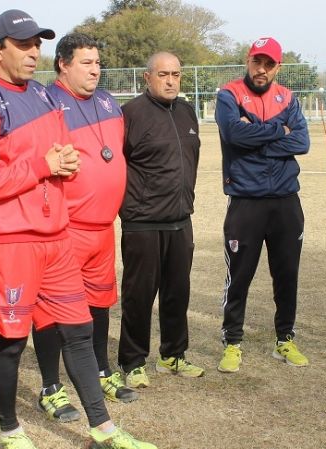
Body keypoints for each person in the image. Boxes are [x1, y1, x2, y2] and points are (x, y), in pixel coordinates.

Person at [0, 9, 155, 449]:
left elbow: (61, 155)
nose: (33, 53)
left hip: (56, 236)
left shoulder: (43, 97)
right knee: (11, 341)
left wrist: (65, 163)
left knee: (79, 332)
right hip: (10, 241)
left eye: (37, 44)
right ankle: (10, 430)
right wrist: (43, 165)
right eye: (23, 44)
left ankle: (104, 429)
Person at [31, 32, 136, 411]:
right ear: (63, 64)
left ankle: (102, 372)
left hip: (102, 228)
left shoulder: (108, 101)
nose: (95, 70)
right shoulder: (45, 103)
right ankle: (50, 387)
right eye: (86, 63)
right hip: (65, 229)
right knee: (50, 308)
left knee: (100, 302)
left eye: (98, 63)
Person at [214, 37, 310, 373]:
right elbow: (233, 136)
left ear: (278, 67)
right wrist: (279, 130)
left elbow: (302, 141)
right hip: (246, 201)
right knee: (239, 277)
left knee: (287, 275)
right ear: (248, 60)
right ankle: (232, 342)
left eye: (269, 64)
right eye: (257, 61)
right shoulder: (229, 95)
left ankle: (285, 339)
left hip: (286, 202)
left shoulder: (288, 98)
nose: (262, 69)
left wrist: (256, 134)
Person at [117, 51, 204, 388]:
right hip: (143, 222)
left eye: (176, 75)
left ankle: (173, 354)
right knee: (139, 296)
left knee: (177, 293)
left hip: (181, 220)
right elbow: (116, 165)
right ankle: (133, 361)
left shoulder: (187, 111)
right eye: (163, 74)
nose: (170, 81)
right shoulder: (130, 114)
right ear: (147, 77)